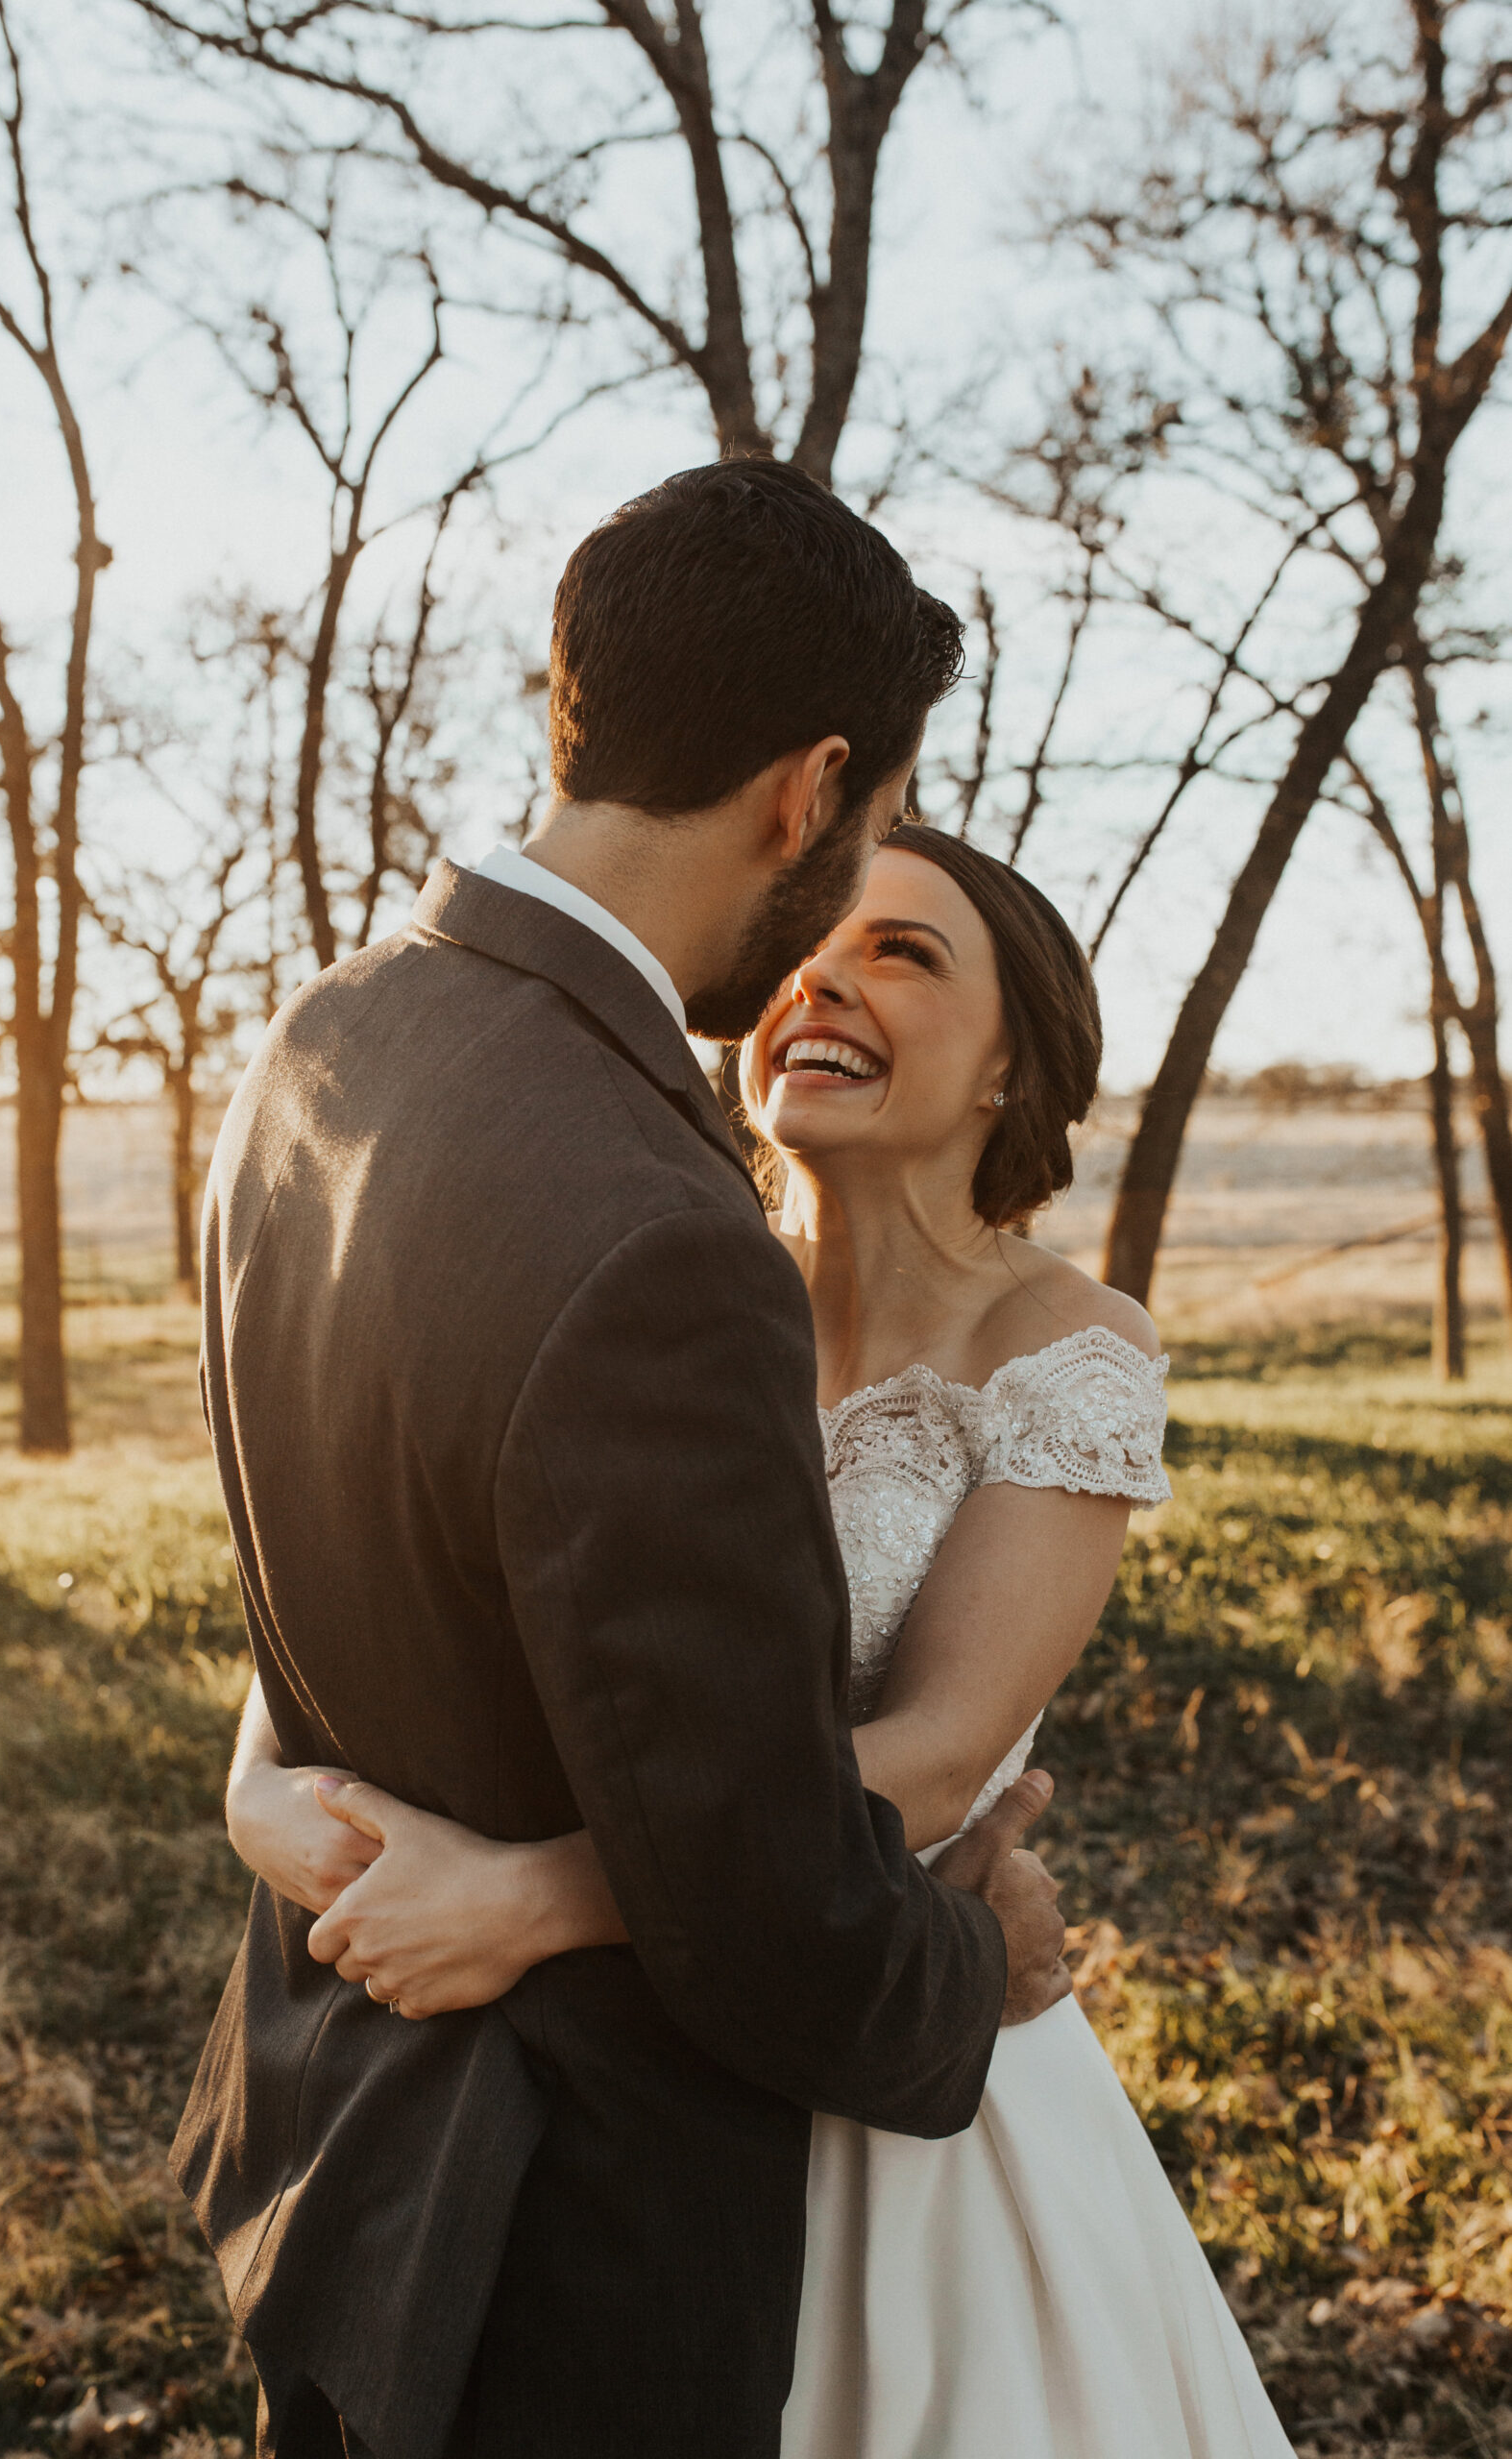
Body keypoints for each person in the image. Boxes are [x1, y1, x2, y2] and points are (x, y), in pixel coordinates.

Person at [174, 459, 1072, 2459]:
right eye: (870, 832)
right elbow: (749, 1888)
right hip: (555, 2241)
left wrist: (272, 1791)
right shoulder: (662, 1233)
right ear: (803, 786)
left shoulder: (313, 1039)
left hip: (333, 2138)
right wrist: (967, 1963)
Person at [232, 826, 1298, 2459]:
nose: (825, 978)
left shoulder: (1068, 1346)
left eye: (906, 954)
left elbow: (942, 1749)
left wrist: (528, 1898)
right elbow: (354, 1617)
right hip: (602, 2098)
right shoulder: (651, 1283)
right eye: (819, 943)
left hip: (895, 2054)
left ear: (1019, 1061)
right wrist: (275, 1809)